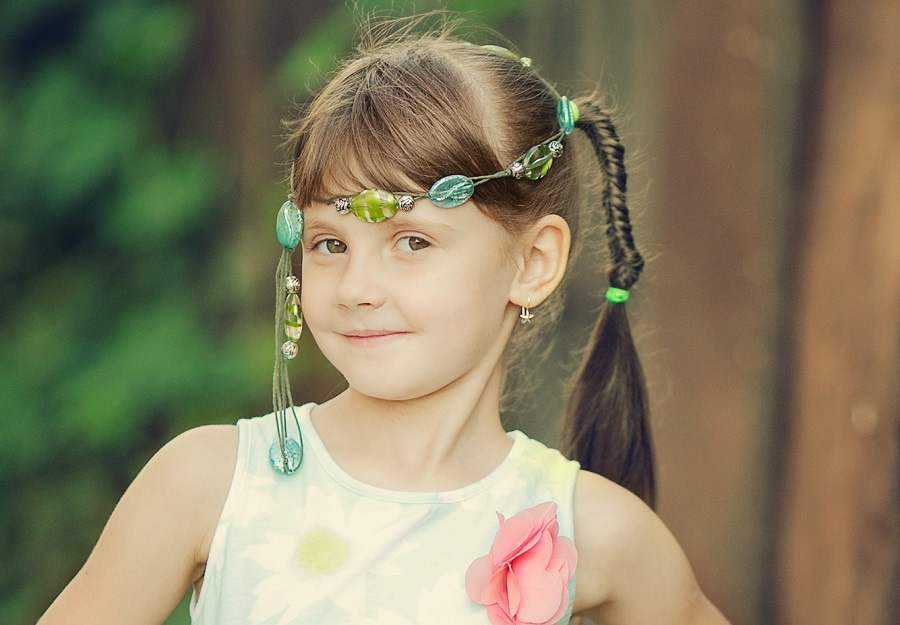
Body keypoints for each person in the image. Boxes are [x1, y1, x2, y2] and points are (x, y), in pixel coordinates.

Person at [38, 16, 730, 625]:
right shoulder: (211, 484)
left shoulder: (597, 532)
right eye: (329, 243)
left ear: (533, 261)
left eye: (412, 241)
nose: (357, 287)